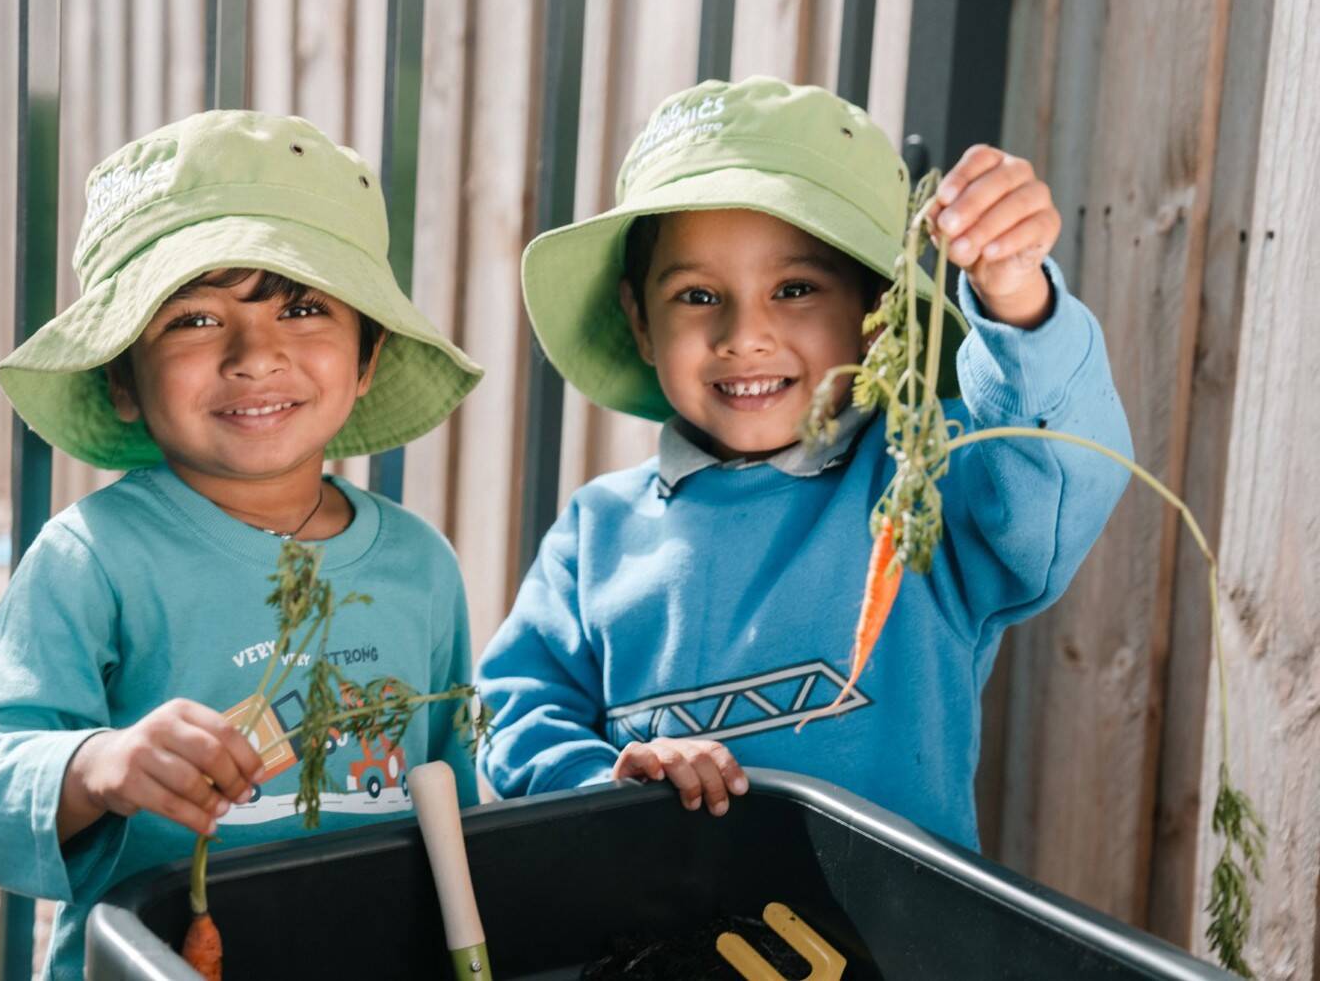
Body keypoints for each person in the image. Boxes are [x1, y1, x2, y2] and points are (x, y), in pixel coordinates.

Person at [477, 76, 1131, 850]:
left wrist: (1017, 295)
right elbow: (516, 707)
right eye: (695, 295)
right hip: (652, 945)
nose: (745, 335)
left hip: (887, 949)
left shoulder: (925, 479)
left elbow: (1054, 478)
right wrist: (609, 779)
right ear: (639, 321)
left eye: (794, 288)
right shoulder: (597, 533)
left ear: (875, 315)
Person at [0, 110, 483, 979]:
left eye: (303, 307)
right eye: (193, 318)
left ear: (367, 357)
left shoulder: (420, 564)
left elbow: (457, 806)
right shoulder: (94, 558)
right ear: (120, 377)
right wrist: (100, 764)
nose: (256, 355)